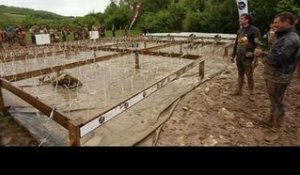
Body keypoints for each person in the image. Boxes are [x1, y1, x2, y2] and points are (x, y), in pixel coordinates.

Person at [254, 12, 300, 128]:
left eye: (277, 23)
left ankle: (276, 127)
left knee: (277, 100)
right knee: (273, 98)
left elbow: (279, 59)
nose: (274, 25)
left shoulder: (290, 39)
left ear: (287, 22)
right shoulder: (283, 36)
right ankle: (271, 121)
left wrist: (262, 54)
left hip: (279, 76)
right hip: (275, 74)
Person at [231, 13, 261, 99]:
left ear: (247, 20)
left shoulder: (254, 30)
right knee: (240, 74)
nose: (239, 20)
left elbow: (257, 44)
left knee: (249, 75)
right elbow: (236, 43)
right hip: (239, 56)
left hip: (248, 57)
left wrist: (256, 58)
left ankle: (251, 93)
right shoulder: (240, 30)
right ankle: (239, 91)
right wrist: (233, 55)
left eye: (241, 19)